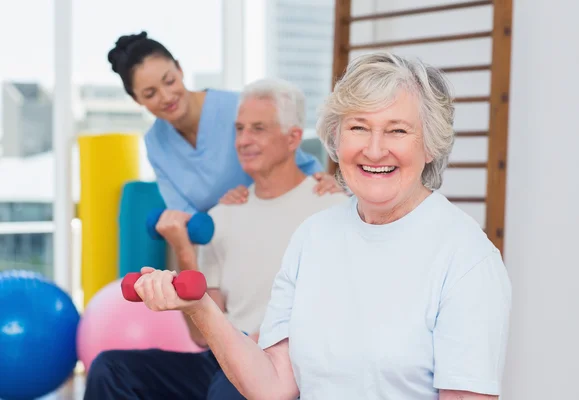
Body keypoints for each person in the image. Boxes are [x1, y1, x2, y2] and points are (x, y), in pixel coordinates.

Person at [132, 52, 513, 400]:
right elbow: (274, 385)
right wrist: (200, 307)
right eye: (359, 128)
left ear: (430, 145)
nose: (375, 149)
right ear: (336, 138)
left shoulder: (466, 258)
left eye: (397, 130)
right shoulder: (313, 236)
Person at [83, 78, 350, 400]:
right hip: (223, 356)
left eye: (258, 129)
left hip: (287, 364)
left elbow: (346, 311)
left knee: (230, 389)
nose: (244, 140)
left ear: (293, 137)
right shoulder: (223, 215)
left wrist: (271, 340)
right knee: (111, 369)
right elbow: (199, 336)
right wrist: (183, 248)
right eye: (239, 129)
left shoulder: (331, 208)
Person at [106, 31, 342, 272]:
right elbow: (186, 216)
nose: (166, 97)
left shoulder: (239, 109)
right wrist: (219, 212)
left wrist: (322, 181)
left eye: (169, 81)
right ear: (136, 100)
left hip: (278, 231)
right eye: (150, 93)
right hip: (225, 248)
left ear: (179, 69)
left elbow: (295, 161)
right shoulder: (156, 143)